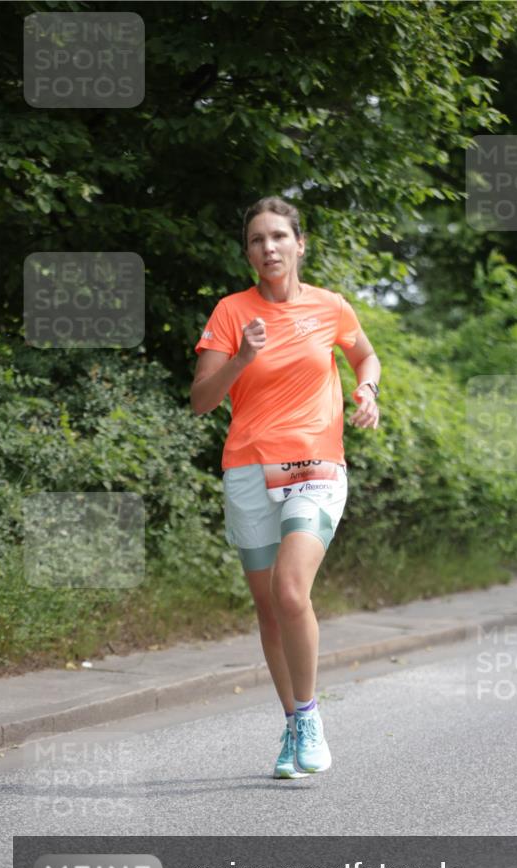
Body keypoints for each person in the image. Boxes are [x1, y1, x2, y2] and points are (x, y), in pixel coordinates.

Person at [191, 195, 380, 779]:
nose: (268, 247)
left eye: (278, 236)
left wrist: (367, 391)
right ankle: (294, 722)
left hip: (316, 463)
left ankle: (311, 715)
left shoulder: (330, 307)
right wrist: (242, 356)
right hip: (248, 467)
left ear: (300, 244)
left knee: (291, 591)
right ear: (247, 253)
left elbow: (365, 356)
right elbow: (202, 401)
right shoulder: (230, 312)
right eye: (256, 240)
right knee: (270, 612)